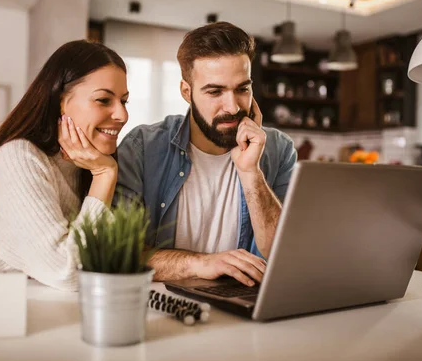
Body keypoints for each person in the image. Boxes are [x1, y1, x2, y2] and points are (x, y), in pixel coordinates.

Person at [0, 41, 129, 291]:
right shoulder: (18, 157)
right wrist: (104, 175)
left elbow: (108, 261)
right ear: (60, 101)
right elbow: (68, 272)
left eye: (124, 101)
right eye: (104, 100)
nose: (122, 115)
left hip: (27, 309)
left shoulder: (87, 165)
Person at [116, 22, 297, 287]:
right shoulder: (142, 148)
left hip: (243, 307)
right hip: (163, 307)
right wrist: (201, 264)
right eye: (215, 91)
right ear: (186, 92)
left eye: (242, 89)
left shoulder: (278, 149)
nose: (232, 106)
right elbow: (120, 253)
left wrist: (250, 172)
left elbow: (285, 254)